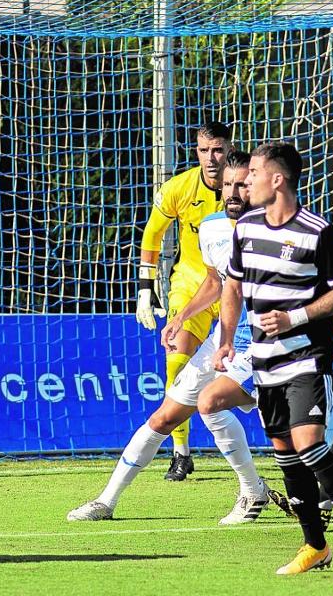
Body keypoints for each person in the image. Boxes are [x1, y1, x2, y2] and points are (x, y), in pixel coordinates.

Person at [69, 151, 288, 525]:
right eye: (228, 185)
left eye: (242, 184)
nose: (234, 192)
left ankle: (254, 488)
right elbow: (215, 283)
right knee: (163, 417)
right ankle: (106, 501)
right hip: (225, 337)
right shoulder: (212, 227)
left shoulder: (274, 229)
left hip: (267, 340)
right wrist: (181, 316)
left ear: (256, 186)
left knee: (213, 404)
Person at [214, 142, 333, 579]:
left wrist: (295, 317)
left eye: (252, 173)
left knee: (309, 445)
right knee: (286, 454)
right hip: (263, 360)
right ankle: (315, 545)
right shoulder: (245, 227)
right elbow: (231, 286)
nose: (244, 182)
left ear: (277, 180)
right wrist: (226, 339)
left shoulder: (317, 231)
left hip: (307, 355)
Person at [136, 122, 232, 480]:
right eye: (205, 150)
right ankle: (181, 452)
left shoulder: (245, 186)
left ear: (228, 148)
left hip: (238, 289)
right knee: (175, 359)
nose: (212, 157)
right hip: (192, 284)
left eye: (218, 149)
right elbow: (153, 233)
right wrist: (146, 288)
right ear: (196, 151)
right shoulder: (179, 187)